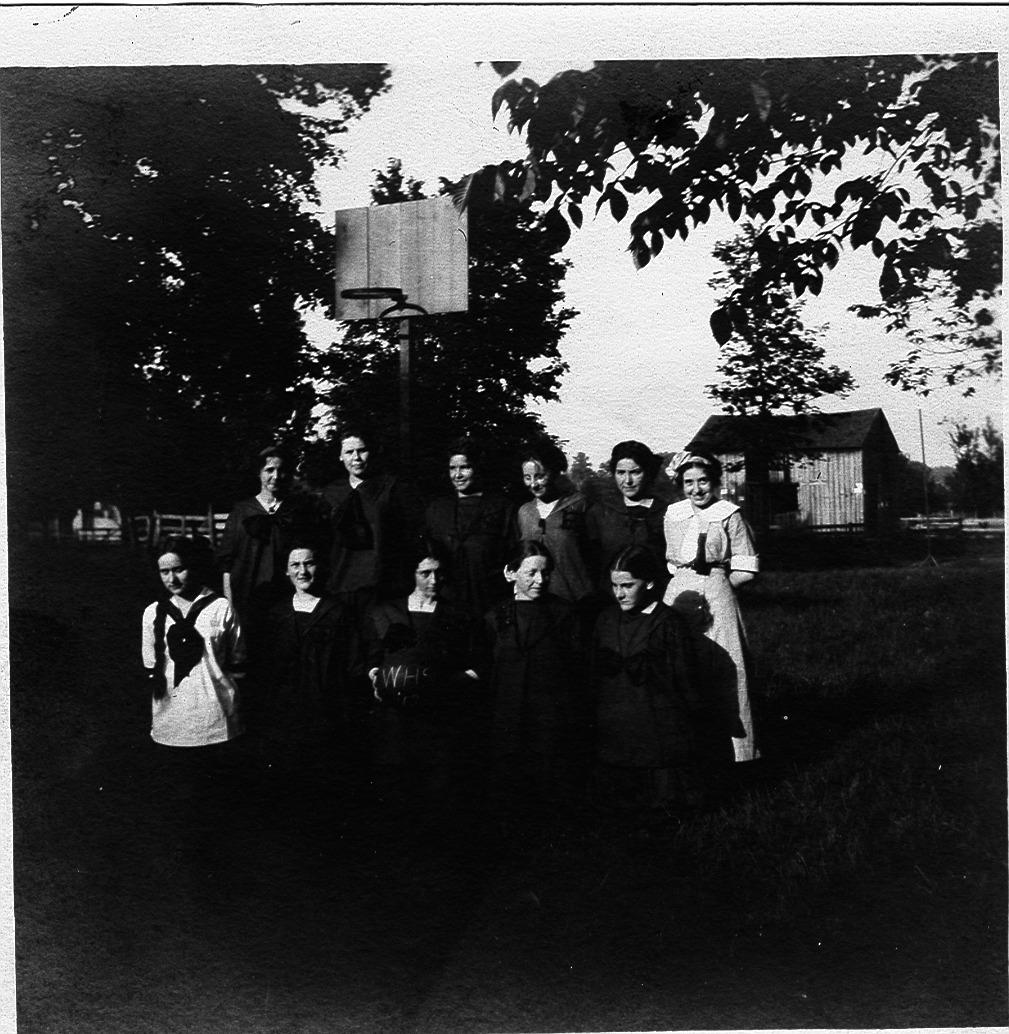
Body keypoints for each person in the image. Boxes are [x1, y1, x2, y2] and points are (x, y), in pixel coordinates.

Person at [142, 535, 246, 876]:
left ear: (195, 567)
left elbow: (237, 660)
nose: (172, 578)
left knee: (217, 807)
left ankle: (222, 874)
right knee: (178, 810)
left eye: (179, 569)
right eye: (164, 572)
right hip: (172, 723)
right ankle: (183, 876)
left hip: (217, 722)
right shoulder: (153, 613)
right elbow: (150, 666)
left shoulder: (220, 608)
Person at [591, 545, 717, 825]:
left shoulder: (668, 624)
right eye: (614, 586)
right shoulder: (606, 620)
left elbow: (685, 682)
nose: (619, 594)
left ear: (648, 583)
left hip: (657, 728)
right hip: (617, 726)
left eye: (627, 586)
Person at [364, 538, 484, 827]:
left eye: (438, 573)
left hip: (440, 722)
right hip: (396, 721)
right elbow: (370, 657)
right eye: (425, 573)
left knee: (437, 794)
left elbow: (477, 665)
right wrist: (375, 675)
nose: (433, 580)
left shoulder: (459, 616)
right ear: (412, 573)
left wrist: (448, 686)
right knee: (396, 790)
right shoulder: (385, 612)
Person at [663, 449, 760, 763]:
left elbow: (746, 568)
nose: (696, 489)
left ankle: (737, 752)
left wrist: (718, 587)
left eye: (703, 481)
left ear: (715, 482)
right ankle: (684, 747)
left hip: (718, 589)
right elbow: (671, 561)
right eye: (689, 482)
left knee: (727, 666)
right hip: (679, 592)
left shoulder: (729, 514)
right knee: (679, 663)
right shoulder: (673, 514)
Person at [483, 541, 589, 817]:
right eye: (531, 573)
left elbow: (577, 669)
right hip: (507, 717)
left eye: (546, 572)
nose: (540, 580)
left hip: (549, 718)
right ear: (511, 573)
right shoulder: (495, 617)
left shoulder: (564, 614)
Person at [252, 543, 360, 809]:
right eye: (295, 565)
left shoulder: (338, 612)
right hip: (283, 715)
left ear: (319, 567)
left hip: (325, 712)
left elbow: (351, 665)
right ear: (286, 572)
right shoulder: (276, 614)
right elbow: (265, 669)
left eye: (308, 563)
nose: (302, 571)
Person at [217, 444, 318, 641]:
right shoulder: (241, 511)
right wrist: (229, 603)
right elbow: (227, 563)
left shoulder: (297, 511)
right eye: (269, 470)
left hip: (286, 597)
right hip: (247, 598)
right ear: (259, 473)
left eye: (281, 470)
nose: (276, 476)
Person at [322, 429, 422, 612]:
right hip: (341, 583)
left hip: (383, 585)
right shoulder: (331, 494)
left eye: (362, 450)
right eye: (349, 452)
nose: (356, 458)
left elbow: (409, 537)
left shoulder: (392, 488)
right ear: (340, 456)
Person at [424, 437, 515, 619]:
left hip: (490, 603)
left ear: (478, 468)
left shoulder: (502, 507)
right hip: (447, 604)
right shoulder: (437, 509)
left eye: (465, 467)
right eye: (452, 468)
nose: (457, 475)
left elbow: (512, 555)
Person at [516, 440, 595, 610]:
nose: (533, 484)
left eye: (540, 476)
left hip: (575, 601)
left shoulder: (580, 505)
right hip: (536, 603)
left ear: (555, 473)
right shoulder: (524, 512)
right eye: (527, 477)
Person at [586, 440, 669, 594]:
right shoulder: (600, 512)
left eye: (635, 472)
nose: (627, 481)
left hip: (656, 597)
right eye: (621, 473)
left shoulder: (667, 512)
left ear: (648, 472)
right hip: (611, 598)